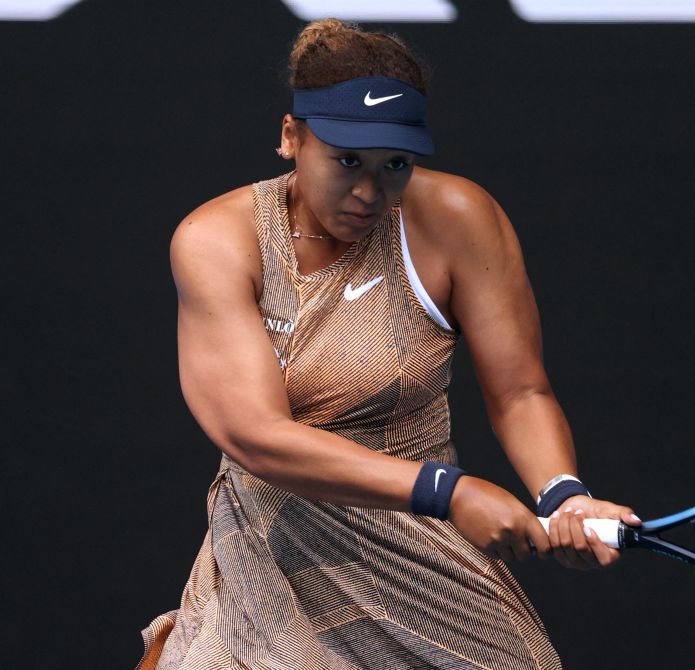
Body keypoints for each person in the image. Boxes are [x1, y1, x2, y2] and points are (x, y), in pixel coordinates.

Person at [137, 19, 639, 670]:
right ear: (292, 137)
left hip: (420, 553)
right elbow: (256, 434)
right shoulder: (216, 239)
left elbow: (521, 390)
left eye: (394, 165)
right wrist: (450, 492)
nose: (371, 193)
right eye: (348, 161)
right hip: (273, 548)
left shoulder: (459, 220)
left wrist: (562, 495)